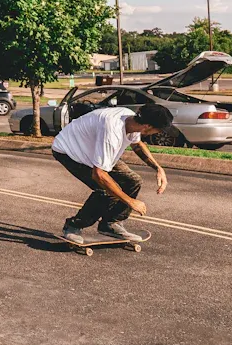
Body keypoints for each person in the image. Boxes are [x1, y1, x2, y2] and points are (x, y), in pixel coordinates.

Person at [51, 103, 173, 243]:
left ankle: (111, 224)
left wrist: (158, 168)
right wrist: (130, 201)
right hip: (69, 150)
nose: (157, 133)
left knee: (133, 181)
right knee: (105, 190)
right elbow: (99, 175)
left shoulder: (131, 120)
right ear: (147, 126)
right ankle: (74, 226)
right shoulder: (112, 132)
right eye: (158, 130)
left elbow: (137, 145)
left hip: (91, 149)